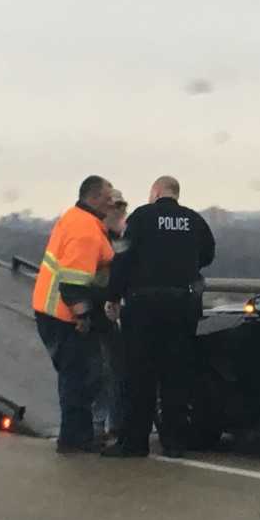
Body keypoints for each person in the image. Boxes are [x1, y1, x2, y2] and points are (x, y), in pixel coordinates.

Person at [102, 175, 215, 458]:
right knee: (176, 375)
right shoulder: (193, 220)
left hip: (144, 308)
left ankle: (134, 442)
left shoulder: (142, 217)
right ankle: (175, 441)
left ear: (155, 192)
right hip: (182, 306)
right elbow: (208, 254)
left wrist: (113, 296)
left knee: (139, 376)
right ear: (176, 194)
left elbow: (122, 259)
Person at [32, 175, 117, 454]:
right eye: (107, 198)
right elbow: (72, 284)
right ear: (92, 197)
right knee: (78, 378)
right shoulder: (86, 232)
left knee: (78, 376)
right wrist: (83, 317)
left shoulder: (78, 218)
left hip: (51, 310)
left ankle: (76, 437)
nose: (111, 202)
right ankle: (73, 439)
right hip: (63, 315)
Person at [92, 190, 130, 441]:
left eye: (122, 205)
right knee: (101, 370)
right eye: (114, 205)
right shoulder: (97, 237)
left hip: (115, 312)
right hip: (96, 310)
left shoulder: (125, 238)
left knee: (116, 369)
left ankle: (114, 424)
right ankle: (98, 425)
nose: (119, 209)